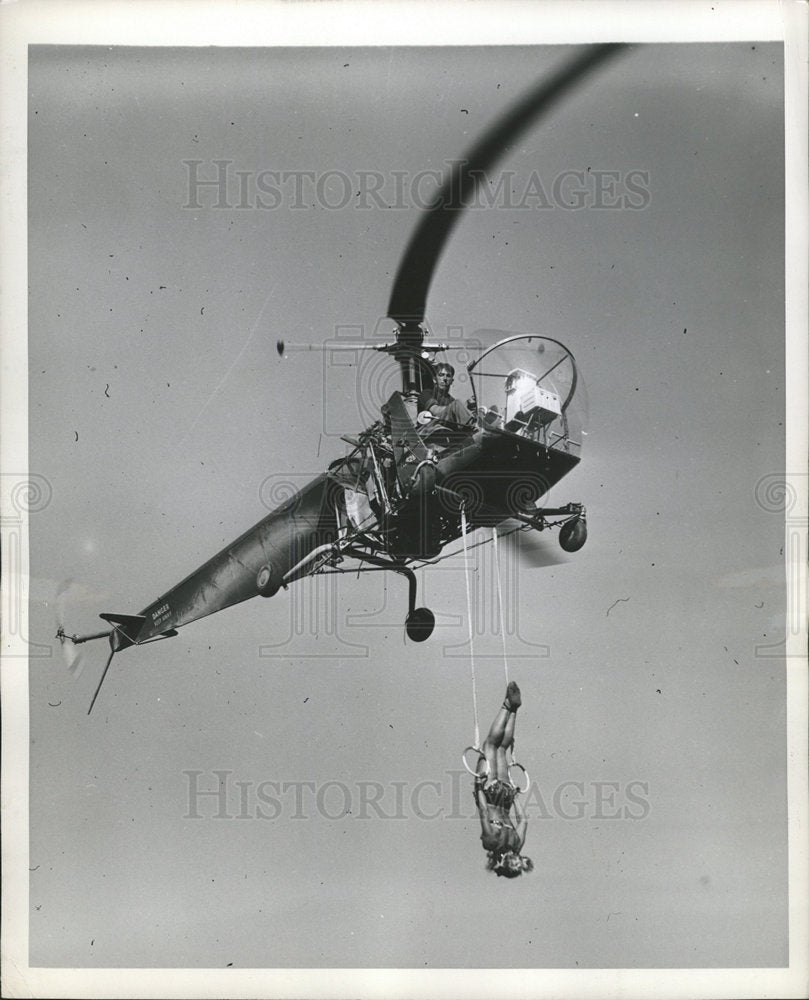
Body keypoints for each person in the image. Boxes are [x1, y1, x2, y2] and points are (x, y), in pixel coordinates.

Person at [473, 681, 534, 878]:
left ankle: (513, 710)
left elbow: (523, 821)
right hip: (490, 792)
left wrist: (515, 796)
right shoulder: (491, 842)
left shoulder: (517, 844)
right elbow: (483, 811)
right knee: (490, 745)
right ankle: (507, 706)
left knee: (502, 749)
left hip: (507, 795)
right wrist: (479, 788)